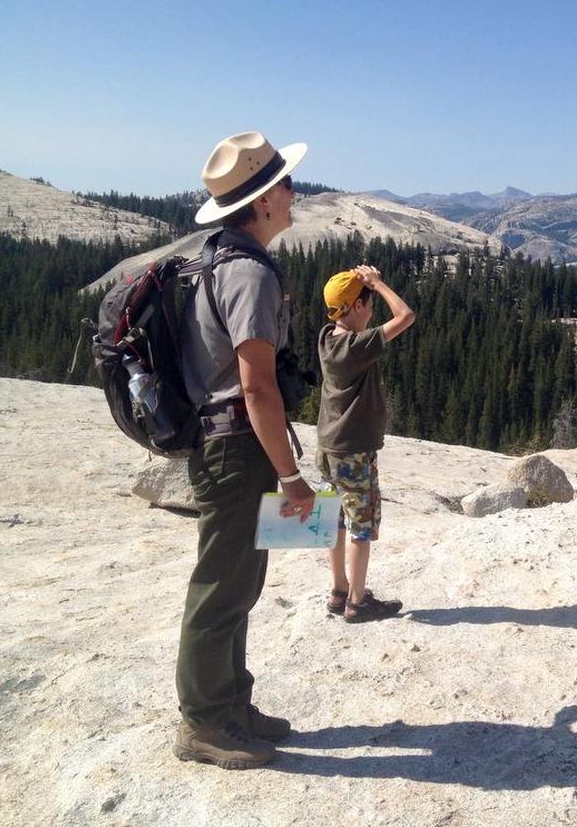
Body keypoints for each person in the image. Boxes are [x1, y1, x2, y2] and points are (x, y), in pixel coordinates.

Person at [173, 131, 316, 769]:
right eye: (286, 184)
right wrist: (291, 478)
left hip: (229, 443)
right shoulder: (250, 274)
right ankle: (203, 723)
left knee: (239, 582)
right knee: (220, 585)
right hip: (236, 448)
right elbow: (256, 385)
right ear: (262, 202)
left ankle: (232, 705)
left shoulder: (220, 261)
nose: (294, 193)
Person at [317, 264, 415, 623]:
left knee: (336, 520)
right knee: (361, 524)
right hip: (354, 450)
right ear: (356, 306)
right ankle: (357, 603)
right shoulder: (356, 346)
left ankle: (339, 590)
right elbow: (405, 316)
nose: (372, 308)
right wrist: (376, 282)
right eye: (368, 302)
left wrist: (359, 285)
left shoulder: (327, 337)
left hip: (328, 448)